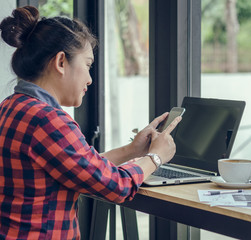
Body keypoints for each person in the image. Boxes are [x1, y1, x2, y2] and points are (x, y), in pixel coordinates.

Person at [0, 6, 181, 240]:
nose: (90, 79)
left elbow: (80, 167)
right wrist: (156, 157)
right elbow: (118, 186)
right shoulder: (49, 121)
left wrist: (131, 150)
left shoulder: (11, 106)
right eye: (87, 65)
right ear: (61, 62)